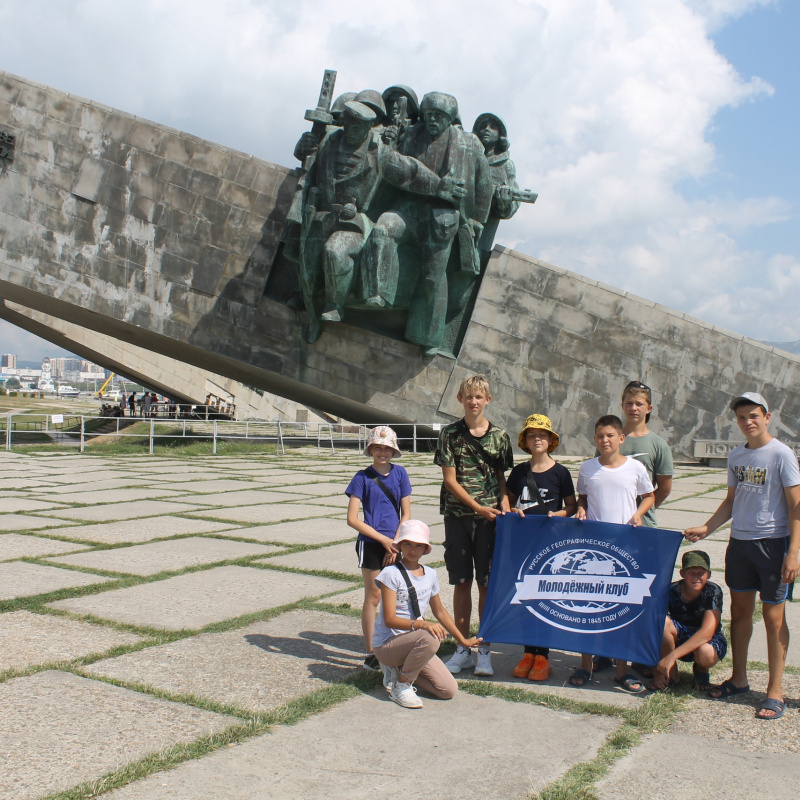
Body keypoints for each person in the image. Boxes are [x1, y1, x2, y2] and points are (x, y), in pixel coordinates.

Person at [297, 100, 466, 341]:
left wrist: (439, 186)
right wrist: (303, 145)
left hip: (351, 223)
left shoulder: (379, 152)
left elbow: (410, 172)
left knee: (335, 252)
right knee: (306, 272)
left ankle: (334, 304)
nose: (351, 131)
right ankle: (310, 315)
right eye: (349, 124)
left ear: (369, 127)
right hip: (318, 219)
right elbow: (307, 159)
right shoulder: (330, 141)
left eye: (358, 127)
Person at [685, 392, 800, 720]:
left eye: (753, 416)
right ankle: (739, 678)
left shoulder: (781, 454)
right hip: (740, 544)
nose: (747, 422)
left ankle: (774, 691)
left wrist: (793, 552)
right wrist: (707, 527)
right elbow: (731, 501)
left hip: (774, 544)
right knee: (740, 613)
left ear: (767, 417)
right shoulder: (736, 455)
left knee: (774, 618)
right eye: (741, 417)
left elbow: (796, 506)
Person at [360, 92, 493, 355]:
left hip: (442, 217)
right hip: (408, 209)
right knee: (383, 229)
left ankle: (428, 336)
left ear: (450, 118)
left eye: (439, 116)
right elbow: (393, 167)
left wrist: (478, 219)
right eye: (429, 114)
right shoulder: (410, 134)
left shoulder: (468, 143)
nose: (433, 120)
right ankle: (378, 295)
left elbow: (484, 183)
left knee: (433, 278)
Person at [434, 374, 514, 676]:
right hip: (458, 517)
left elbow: (502, 477)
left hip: (490, 521)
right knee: (461, 581)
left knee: (486, 584)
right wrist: (477, 506)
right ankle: (462, 647)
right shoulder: (450, 434)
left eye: (479, 397)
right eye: (468, 396)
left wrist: (504, 502)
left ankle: (484, 649)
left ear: (487, 400)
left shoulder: (500, 437)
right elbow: (450, 480)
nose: (473, 401)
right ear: (460, 399)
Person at [572, 414, 655, 692]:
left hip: (625, 548)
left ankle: (622, 670)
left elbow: (649, 496)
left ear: (621, 438)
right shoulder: (587, 468)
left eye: (609, 435)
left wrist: (639, 514)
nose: (604, 440)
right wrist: (581, 508)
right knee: (587, 608)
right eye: (599, 436)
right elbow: (583, 496)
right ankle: (586, 665)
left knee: (621, 609)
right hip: (593, 548)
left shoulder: (635, 467)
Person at [373, 519, 482, 708]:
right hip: (387, 645)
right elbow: (389, 619)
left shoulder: (430, 574)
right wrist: (421, 624)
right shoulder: (391, 573)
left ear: (425, 549)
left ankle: (399, 671)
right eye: (408, 544)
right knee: (430, 637)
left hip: (414, 643)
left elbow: (439, 611)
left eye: (418, 545)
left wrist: (462, 641)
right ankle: (401, 685)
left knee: (447, 690)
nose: (412, 550)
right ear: (400, 545)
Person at [505, 414, 577, 681]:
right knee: (526, 597)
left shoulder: (561, 473)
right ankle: (528, 652)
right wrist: (511, 509)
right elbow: (507, 499)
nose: (537, 439)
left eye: (542, 435)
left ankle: (543, 655)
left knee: (545, 598)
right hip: (523, 544)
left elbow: (571, 506)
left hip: (550, 547)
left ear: (550, 440)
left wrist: (558, 515)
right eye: (532, 435)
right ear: (525, 440)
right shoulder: (519, 472)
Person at [346, 426, 411, 671]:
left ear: (393, 451)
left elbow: (406, 513)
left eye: (387, 448)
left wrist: (395, 542)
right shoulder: (361, 477)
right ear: (371, 449)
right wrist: (383, 540)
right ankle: (371, 652)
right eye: (378, 448)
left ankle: (394, 646)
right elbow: (352, 519)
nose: (383, 452)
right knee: (373, 596)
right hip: (371, 543)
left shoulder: (400, 473)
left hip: (396, 543)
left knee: (396, 596)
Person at [649, 550, 727, 691]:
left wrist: (672, 656)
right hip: (681, 634)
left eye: (701, 573)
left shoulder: (713, 591)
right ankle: (671, 675)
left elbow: (707, 633)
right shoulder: (671, 590)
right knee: (662, 623)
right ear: (682, 573)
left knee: (706, 654)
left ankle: (701, 669)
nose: (696, 577)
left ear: (709, 574)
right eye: (691, 572)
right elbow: (654, 627)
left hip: (707, 639)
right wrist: (656, 669)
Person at [618, 381, 673, 528]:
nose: (633, 408)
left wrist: (644, 509)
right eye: (629, 403)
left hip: (643, 523)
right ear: (622, 406)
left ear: (649, 408)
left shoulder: (659, 444)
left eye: (639, 404)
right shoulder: (610, 440)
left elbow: (665, 488)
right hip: (612, 519)